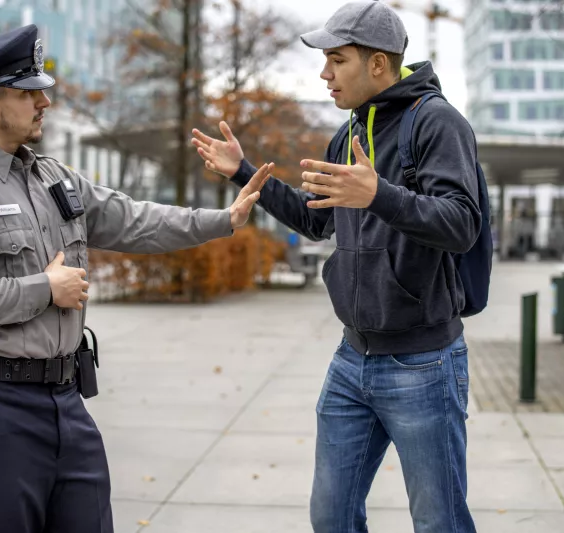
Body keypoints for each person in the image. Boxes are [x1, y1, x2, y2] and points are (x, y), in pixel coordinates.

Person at [0, 24, 272, 533]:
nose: (44, 102)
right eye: (29, 92)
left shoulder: (52, 178)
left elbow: (135, 219)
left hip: (66, 403)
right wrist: (43, 289)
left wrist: (222, 220)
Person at [191, 1, 481, 531]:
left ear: (377, 64)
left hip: (423, 364)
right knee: (332, 516)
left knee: (439, 521)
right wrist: (244, 172)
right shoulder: (349, 133)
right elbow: (318, 219)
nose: (324, 74)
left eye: (337, 60)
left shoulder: (437, 123)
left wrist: (380, 195)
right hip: (352, 359)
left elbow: (462, 224)